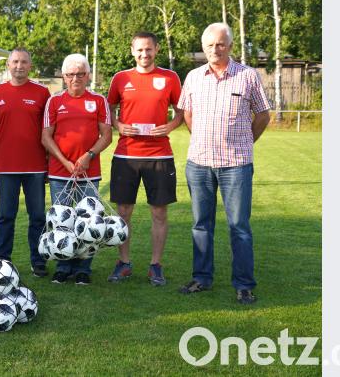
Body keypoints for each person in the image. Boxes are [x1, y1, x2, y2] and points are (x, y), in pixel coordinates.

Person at [177, 23, 271, 304]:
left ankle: (243, 285)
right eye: (209, 45)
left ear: (230, 46)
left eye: (220, 44)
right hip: (199, 164)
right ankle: (201, 278)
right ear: (203, 47)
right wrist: (203, 140)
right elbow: (187, 115)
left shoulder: (247, 76)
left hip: (236, 164)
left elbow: (263, 115)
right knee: (200, 225)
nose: (214, 49)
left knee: (239, 226)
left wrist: (245, 142)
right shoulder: (193, 77)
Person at [105, 32, 183, 286]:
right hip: (126, 155)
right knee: (123, 212)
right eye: (139, 50)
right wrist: (119, 125)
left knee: (159, 212)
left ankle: (155, 265)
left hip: (159, 155)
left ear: (156, 49)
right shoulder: (121, 78)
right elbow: (109, 110)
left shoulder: (170, 77)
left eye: (148, 49)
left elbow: (181, 112)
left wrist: (169, 126)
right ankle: (124, 263)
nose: (144, 54)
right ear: (132, 51)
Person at [41, 53, 112, 285]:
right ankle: (63, 266)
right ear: (64, 76)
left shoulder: (99, 101)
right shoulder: (54, 101)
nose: (75, 78)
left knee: (88, 222)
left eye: (80, 74)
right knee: (62, 222)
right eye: (70, 74)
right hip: (60, 173)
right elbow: (46, 137)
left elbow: (107, 136)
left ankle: (83, 268)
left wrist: (88, 155)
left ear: (88, 75)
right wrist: (65, 162)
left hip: (89, 174)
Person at [0, 48, 51, 277]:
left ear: (30, 66)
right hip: (6, 167)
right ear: (8, 65)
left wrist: (48, 163)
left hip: (35, 167)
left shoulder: (42, 93)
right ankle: (2, 260)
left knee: (38, 217)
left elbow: (49, 131)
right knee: (6, 216)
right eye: (15, 62)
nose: (19, 66)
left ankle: (38, 260)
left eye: (24, 62)